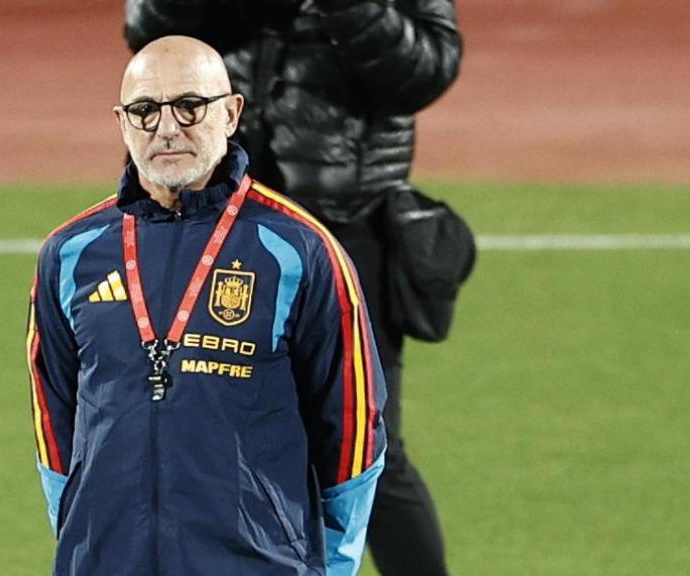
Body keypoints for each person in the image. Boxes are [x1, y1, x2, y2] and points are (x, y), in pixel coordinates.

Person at [124, 3, 465, 575]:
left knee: (367, 439)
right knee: (196, 426)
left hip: (348, 222)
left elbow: (423, 72)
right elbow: (149, 32)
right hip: (217, 215)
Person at [27, 36, 386, 576]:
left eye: (190, 106)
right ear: (122, 123)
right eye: (145, 111)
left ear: (231, 113)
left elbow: (353, 430)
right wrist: (88, 537)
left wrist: (331, 566)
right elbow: (54, 421)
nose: (167, 128)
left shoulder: (300, 250)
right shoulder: (70, 254)